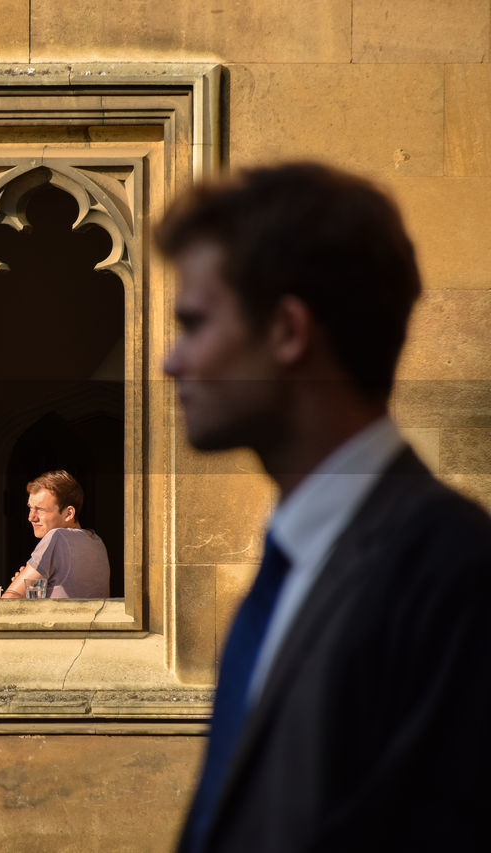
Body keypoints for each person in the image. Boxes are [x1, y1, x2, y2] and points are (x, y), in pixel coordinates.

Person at [158, 162, 491, 852]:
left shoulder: (453, 573)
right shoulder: (294, 562)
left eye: (194, 321)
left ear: (286, 331)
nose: (171, 360)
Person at [1, 469, 110, 598]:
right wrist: (32, 590)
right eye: (30, 508)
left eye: (40, 509)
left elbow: (9, 600)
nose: (31, 517)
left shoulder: (57, 537)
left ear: (68, 513)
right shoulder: (96, 542)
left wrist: (21, 592)